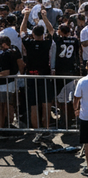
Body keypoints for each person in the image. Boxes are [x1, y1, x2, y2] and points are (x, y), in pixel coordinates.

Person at [20, 7, 55, 143]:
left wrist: (25, 16)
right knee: (46, 106)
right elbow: (51, 31)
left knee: (34, 107)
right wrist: (44, 17)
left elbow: (22, 31)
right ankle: (45, 131)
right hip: (44, 77)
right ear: (42, 35)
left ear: (33, 34)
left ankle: (38, 133)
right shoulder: (47, 43)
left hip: (31, 76)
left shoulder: (28, 43)